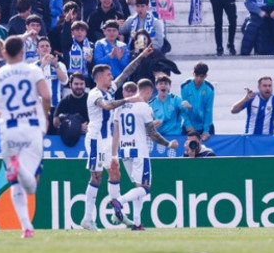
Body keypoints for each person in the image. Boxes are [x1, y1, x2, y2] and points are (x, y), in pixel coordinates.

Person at [0, 35, 51, 238]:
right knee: (31, 186)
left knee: (15, 183)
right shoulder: (33, 70)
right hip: (31, 128)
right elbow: (46, 96)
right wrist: (44, 116)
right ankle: (17, 166)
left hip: (8, 131)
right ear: (23, 52)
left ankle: (26, 226)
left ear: (3, 53)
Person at [80, 44, 153, 231]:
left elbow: (127, 72)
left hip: (108, 141)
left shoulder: (110, 88)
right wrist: (129, 99)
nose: (112, 77)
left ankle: (118, 214)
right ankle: (87, 219)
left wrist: (142, 55)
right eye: (108, 74)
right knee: (96, 177)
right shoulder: (95, 94)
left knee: (115, 172)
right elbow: (107, 106)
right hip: (96, 140)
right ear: (99, 77)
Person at [110, 79, 178, 231]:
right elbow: (152, 134)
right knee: (145, 188)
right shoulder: (144, 107)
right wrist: (169, 144)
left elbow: (116, 132)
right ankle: (119, 201)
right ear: (148, 91)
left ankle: (136, 223)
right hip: (140, 151)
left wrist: (114, 154)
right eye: (150, 94)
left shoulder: (120, 108)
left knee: (138, 187)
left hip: (124, 151)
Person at [36, 36, 68, 134]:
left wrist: (56, 66)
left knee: (54, 134)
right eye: (42, 46)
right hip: (39, 107)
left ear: (50, 49)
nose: (45, 48)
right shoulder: (33, 67)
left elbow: (65, 81)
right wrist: (43, 66)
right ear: (37, 50)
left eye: (47, 46)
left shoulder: (60, 65)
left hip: (56, 106)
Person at [181, 62, 215, 140]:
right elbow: (183, 108)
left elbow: (208, 110)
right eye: (197, 76)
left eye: (202, 76)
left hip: (204, 125)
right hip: (189, 125)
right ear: (193, 74)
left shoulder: (209, 89)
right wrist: (188, 125)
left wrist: (206, 130)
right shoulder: (185, 86)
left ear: (206, 76)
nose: (199, 79)